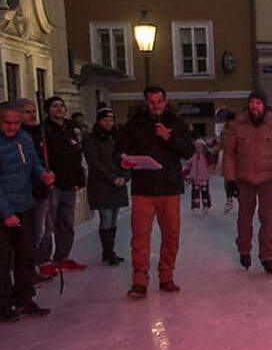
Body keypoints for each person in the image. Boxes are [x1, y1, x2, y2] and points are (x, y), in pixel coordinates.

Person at [0, 101, 56, 321]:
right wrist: (6, 213)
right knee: (2, 258)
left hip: (25, 204)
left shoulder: (24, 139)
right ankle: (3, 304)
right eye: (7, 123)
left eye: (16, 123)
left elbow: (33, 164)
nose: (12, 127)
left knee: (26, 255)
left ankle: (25, 297)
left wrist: (42, 176)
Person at [116, 86, 194, 298]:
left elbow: (188, 151)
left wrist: (169, 138)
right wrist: (127, 160)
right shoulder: (135, 125)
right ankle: (139, 280)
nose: (156, 106)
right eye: (151, 102)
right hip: (144, 188)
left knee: (171, 235)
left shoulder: (176, 124)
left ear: (166, 101)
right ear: (146, 103)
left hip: (169, 187)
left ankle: (166, 275)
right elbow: (120, 150)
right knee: (140, 237)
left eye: (159, 101)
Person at [222, 91, 272, 273]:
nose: (255, 106)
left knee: (267, 220)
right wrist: (229, 180)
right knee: (244, 219)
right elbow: (229, 154)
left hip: (267, 180)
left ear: (264, 106)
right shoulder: (238, 127)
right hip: (244, 180)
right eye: (252, 102)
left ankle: (267, 256)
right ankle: (244, 250)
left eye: (258, 103)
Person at [34, 96, 87, 274]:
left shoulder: (71, 129)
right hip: (53, 184)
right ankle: (44, 259)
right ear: (48, 110)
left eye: (61, 106)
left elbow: (76, 156)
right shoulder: (43, 130)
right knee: (49, 224)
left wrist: (79, 180)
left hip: (69, 184)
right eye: (54, 106)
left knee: (67, 222)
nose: (59, 109)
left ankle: (62, 255)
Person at [82, 107, 128, 265]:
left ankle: (110, 250)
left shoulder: (118, 137)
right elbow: (94, 162)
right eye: (105, 120)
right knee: (106, 218)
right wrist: (112, 178)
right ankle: (108, 251)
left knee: (115, 218)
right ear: (99, 121)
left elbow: (126, 158)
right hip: (102, 184)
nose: (108, 123)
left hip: (118, 182)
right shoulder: (91, 138)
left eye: (111, 120)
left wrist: (124, 176)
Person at [17, 98, 54, 283]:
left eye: (33, 111)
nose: (32, 115)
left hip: (43, 190)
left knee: (44, 232)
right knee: (34, 234)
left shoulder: (40, 133)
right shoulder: (19, 137)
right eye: (27, 112)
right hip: (29, 193)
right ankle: (27, 271)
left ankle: (36, 265)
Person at [184, 139, 213, 213]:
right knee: (195, 192)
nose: (198, 149)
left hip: (204, 178)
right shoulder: (194, 156)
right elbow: (188, 164)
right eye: (197, 147)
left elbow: (211, 163)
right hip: (195, 178)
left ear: (203, 148)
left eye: (200, 147)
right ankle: (195, 206)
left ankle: (206, 205)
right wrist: (186, 172)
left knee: (205, 192)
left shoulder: (206, 156)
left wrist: (210, 170)